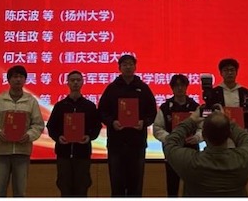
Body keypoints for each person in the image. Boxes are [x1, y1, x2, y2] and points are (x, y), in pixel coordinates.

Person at [97, 54, 157, 196]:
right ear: (119, 68)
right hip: (116, 144)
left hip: (137, 144)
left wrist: (144, 122)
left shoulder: (143, 88)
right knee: (116, 184)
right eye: (125, 64)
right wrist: (112, 122)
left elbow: (152, 112)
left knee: (135, 185)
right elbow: (102, 112)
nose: (128, 67)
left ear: (135, 67)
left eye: (131, 64)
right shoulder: (112, 88)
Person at [163, 106, 248, 196]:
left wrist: (191, 120)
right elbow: (245, 138)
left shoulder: (190, 162)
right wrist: (227, 121)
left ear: (203, 135)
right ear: (229, 134)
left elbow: (170, 143)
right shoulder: (244, 158)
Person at [0, 65, 44, 197]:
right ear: (9, 79)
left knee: (20, 191)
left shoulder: (31, 101)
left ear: (25, 80)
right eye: (15, 77)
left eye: (21, 77)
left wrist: (29, 136)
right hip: (2, 152)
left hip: (22, 152)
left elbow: (38, 125)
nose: (18, 79)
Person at [46, 70, 102, 197]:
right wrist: (58, 137)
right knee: (64, 186)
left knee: (82, 187)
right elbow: (51, 127)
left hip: (83, 153)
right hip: (63, 154)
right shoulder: (60, 106)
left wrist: (89, 137)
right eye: (72, 80)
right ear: (67, 83)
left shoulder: (89, 106)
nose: (75, 83)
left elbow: (96, 126)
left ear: (82, 82)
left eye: (78, 80)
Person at [153, 74, 201, 197]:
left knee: (192, 186)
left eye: (182, 85)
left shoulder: (195, 107)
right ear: (172, 88)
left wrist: (197, 137)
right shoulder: (165, 107)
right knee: (172, 186)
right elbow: (157, 128)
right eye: (176, 85)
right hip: (172, 151)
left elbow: (203, 127)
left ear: (186, 87)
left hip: (191, 151)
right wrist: (169, 138)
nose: (179, 88)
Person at [204, 58, 248, 134]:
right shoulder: (213, 93)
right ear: (221, 73)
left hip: (241, 133)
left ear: (236, 72)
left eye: (232, 70)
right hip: (219, 132)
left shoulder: (245, 93)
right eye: (226, 70)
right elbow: (207, 113)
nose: (229, 73)